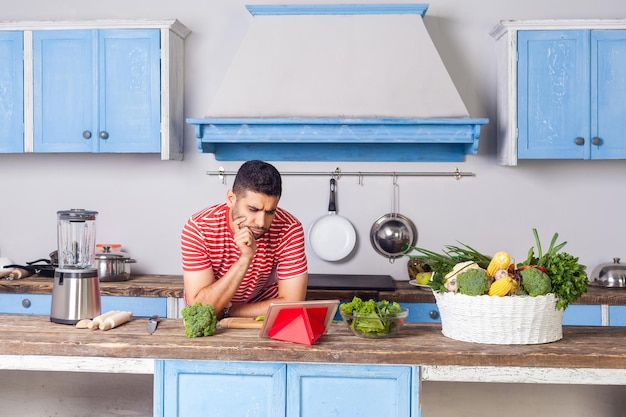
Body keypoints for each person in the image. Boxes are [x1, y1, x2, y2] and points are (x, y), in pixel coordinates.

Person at [181, 160, 308, 318]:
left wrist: (228, 310)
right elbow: (199, 309)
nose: (261, 222)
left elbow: (292, 303)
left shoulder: (289, 228)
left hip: (262, 317)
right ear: (231, 199)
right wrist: (245, 258)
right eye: (253, 209)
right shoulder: (199, 228)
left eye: (270, 212)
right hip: (212, 319)